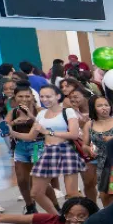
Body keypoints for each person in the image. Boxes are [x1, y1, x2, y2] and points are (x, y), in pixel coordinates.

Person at [30, 84, 86, 213]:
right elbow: (30, 136)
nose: (45, 99)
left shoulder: (68, 111)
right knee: (36, 193)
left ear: (58, 96)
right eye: (42, 96)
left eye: (48, 96)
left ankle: (83, 217)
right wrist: (11, 131)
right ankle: (57, 218)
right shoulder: (41, 114)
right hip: (47, 152)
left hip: (65, 149)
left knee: (72, 194)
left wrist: (48, 132)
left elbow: (74, 134)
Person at [6, 84, 41, 215]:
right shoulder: (13, 112)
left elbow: (44, 125)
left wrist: (30, 116)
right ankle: (30, 205)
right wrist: (14, 122)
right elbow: (4, 128)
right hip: (20, 147)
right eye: (20, 96)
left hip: (37, 146)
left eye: (27, 96)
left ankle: (54, 204)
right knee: (21, 179)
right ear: (15, 97)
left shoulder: (39, 110)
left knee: (37, 177)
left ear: (32, 97)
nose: (24, 99)